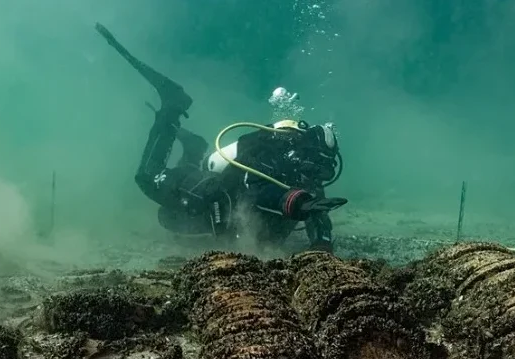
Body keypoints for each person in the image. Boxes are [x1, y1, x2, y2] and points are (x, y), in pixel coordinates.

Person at [95, 23, 346, 253]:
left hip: (221, 206)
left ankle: (194, 148)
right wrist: (294, 202)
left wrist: (322, 242)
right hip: (213, 190)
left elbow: (317, 209)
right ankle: (173, 105)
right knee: (147, 178)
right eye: (316, 164)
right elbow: (251, 185)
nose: (317, 174)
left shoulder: (307, 173)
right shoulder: (278, 154)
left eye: (324, 169)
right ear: (305, 151)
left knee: (170, 219)